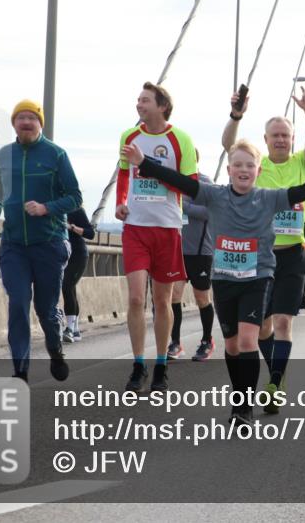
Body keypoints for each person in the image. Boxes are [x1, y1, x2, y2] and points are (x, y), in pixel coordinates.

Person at [123, 139, 305, 426]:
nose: (243, 170)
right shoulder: (215, 195)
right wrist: (143, 163)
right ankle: (240, 396)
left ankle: (243, 409)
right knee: (231, 346)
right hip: (223, 280)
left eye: (249, 165)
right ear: (230, 170)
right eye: (237, 165)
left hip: (257, 279)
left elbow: (303, 190)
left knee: (248, 340)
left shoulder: (269, 198)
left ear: (258, 171)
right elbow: (179, 181)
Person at [222, 85, 305, 413]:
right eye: (275, 135)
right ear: (265, 140)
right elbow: (229, 145)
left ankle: (274, 382)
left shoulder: (302, 164)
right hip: (260, 256)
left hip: (293, 255)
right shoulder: (257, 166)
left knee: (283, 321)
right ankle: (276, 374)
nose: (281, 139)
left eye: (285, 135)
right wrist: (236, 115)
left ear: (293, 139)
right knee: (264, 327)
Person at [0, 100, 81, 383]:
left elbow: (75, 197)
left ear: (40, 123)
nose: (26, 122)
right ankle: (20, 372)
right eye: (21, 118)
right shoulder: (4, 155)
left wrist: (46, 208)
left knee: (45, 310)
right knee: (18, 302)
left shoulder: (55, 154)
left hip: (49, 243)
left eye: (32, 118)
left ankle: (55, 350)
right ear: (14, 124)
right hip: (14, 244)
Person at [116, 82, 197, 393]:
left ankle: (161, 365)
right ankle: (139, 365)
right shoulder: (129, 136)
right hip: (135, 228)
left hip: (166, 228)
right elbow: (125, 173)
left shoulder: (180, 140)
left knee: (162, 302)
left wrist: (148, 167)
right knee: (136, 297)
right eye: (137, 99)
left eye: (145, 100)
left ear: (162, 106)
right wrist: (121, 202)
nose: (139, 104)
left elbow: (188, 186)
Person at [168, 151, 216, 362]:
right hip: (177, 250)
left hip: (200, 251)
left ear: (195, 160)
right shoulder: (170, 182)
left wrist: (182, 206)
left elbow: (209, 212)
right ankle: (176, 343)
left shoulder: (205, 183)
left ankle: (207, 340)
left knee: (201, 297)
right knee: (173, 297)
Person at [60, 206, 95, 343]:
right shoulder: (52, 208)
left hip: (78, 255)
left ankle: (69, 328)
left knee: (66, 285)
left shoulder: (75, 210)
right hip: (63, 255)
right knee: (70, 289)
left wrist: (71, 227)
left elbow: (90, 233)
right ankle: (75, 329)